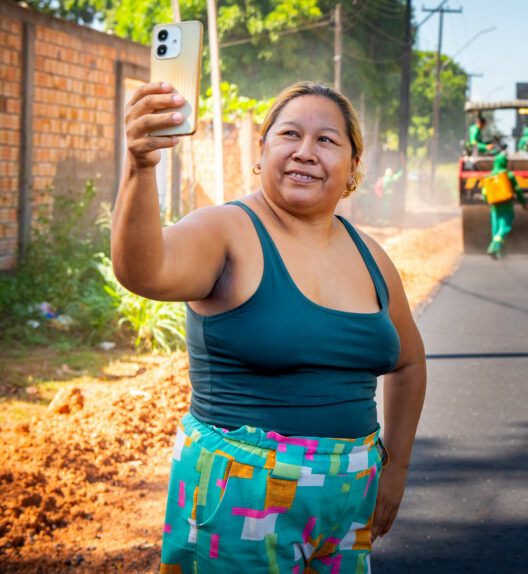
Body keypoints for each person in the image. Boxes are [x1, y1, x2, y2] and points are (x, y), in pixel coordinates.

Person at [113, 80, 426, 573]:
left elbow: (408, 361)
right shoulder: (224, 230)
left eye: (326, 140)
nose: (305, 152)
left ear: (352, 169)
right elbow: (143, 270)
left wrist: (397, 467)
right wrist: (140, 167)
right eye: (289, 135)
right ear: (262, 152)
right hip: (240, 499)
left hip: (348, 501)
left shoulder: (372, 257)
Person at [482, 152, 527, 259]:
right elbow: (517, 190)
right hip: (507, 207)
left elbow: (484, 192)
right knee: (504, 228)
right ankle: (493, 247)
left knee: (496, 229)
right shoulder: (508, 175)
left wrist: (486, 203)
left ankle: (499, 253)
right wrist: (523, 203)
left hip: (494, 208)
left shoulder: (490, 176)